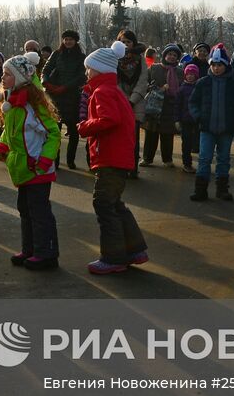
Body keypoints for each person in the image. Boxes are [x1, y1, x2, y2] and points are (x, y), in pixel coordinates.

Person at [78, 40, 149, 274]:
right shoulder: (112, 90)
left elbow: (109, 120)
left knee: (104, 205)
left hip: (110, 158)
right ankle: (133, 248)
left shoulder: (102, 92)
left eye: (89, 68)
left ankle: (114, 257)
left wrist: (84, 127)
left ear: (98, 69)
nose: (86, 72)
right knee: (115, 204)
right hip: (118, 157)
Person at [0, 51, 60, 270]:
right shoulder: (12, 102)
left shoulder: (35, 105)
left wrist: (45, 159)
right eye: (3, 73)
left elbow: (53, 133)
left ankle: (47, 253)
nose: (3, 78)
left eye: (7, 74)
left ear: (21, 77)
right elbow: (11, 129)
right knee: (25, 208)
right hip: (22, 166)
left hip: (37, 167)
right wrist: (4, 143)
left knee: (39, 211)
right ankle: (30, 248)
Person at [188, 44, 234, 202]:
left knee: (223, 159)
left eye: (219, 65)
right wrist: (199, 117)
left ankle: (222, 189)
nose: (216, 68)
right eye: (213, 65)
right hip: (207, 128)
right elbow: (193, 102)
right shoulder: (203, 83)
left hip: (227, 129)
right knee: (204, 158)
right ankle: (200, 190)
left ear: (225, 65)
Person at [42, 29, 86, 169]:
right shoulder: (56, 54)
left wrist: (65, 87)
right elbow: (46, 70)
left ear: (75, 41)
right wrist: (46, 82)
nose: (68, 42)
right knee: (55, 131)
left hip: (72, 97)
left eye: (70, 39)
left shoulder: (81, 57)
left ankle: (70, 160)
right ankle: (54, 159)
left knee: (73, 131)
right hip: (56, 97)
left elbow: (81, 76)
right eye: (66, 39)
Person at [141, 44, 184, 166]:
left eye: (175, 55)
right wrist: (159, 89)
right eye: (169, 54)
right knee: (151, 134)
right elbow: (145, 84)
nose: (171, 57)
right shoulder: (154, 68)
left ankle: (167, 160)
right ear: (164, 55)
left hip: (170, 107)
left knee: (167, 135)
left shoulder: (180, 72)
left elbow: (182, 89)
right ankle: (147, 159)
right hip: (154, 106)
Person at [114, 30, 146, 178]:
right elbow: (115, 80)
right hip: (119, 101)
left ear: (134, 43)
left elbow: (142, 80)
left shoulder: (140, 59)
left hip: (136, 102)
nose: (126, 44)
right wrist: (122, 98)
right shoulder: (114, 58)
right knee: (120, 137)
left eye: (128, 42)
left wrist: (132, 99)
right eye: (123, 41)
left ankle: (132, 167)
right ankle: (121, 166)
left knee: (133, 138)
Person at [178, 63, 200, 173]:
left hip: (197, 120)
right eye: (188, 74)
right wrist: (177, 120)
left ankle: (202, 164)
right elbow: (177, 105)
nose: (190, 76)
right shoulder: (181, 89)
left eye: (192, 74)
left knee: (197, 143)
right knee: (186, 143)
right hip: (185, 120)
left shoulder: (199, 87)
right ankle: (187, 163)